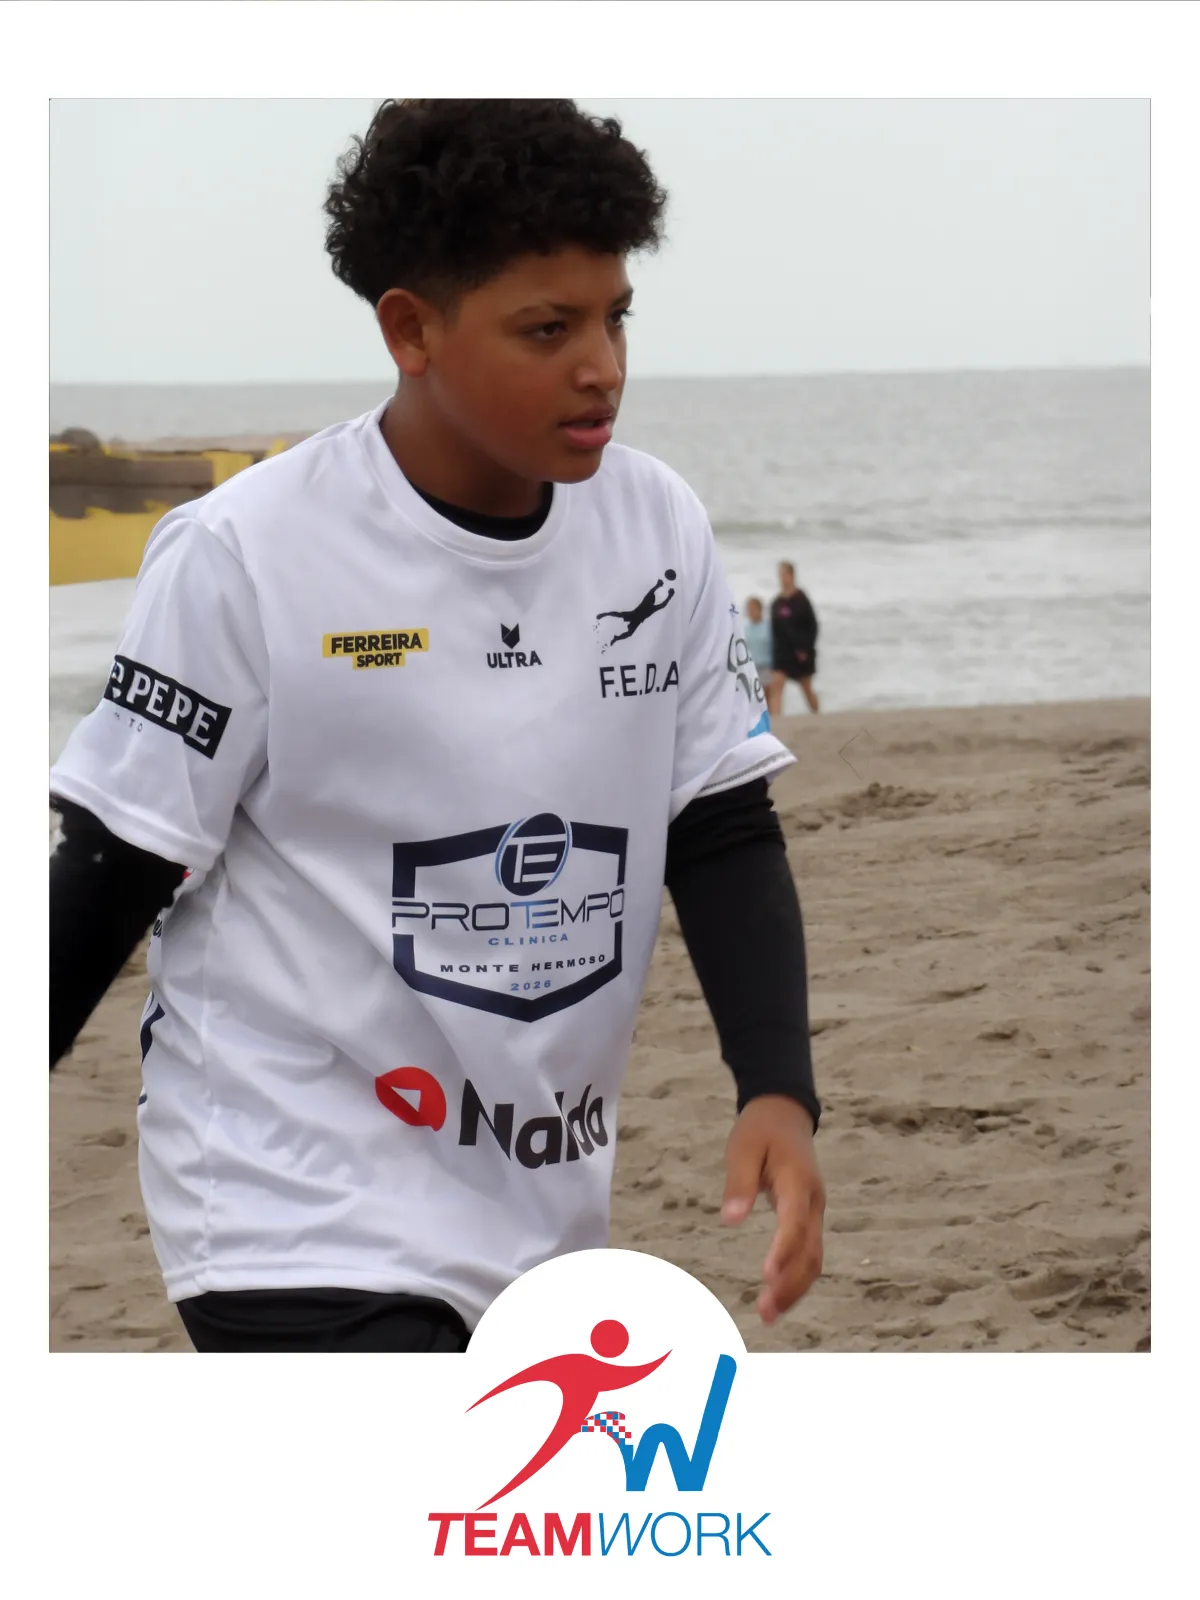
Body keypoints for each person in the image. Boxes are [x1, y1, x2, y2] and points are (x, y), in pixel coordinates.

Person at [48, 100, 824, 1354]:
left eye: (617, 316)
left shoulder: (656, 530)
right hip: (285, 1196)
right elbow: (111, 868)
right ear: (410, 329)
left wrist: (777, 1085)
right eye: (548, 328)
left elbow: (723, 828)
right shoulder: (250, 553)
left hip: (535, 1207)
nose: (602, 365)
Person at [769, 561, 820, 715]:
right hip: (782, 653)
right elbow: (773, 630)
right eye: (780, 575)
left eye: (784, 574)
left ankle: (817, 714)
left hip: (800, 652)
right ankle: (776, 721)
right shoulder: (776, 603)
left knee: (806, 689)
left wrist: (806, 649)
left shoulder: (801, 599)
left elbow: (813, 626)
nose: (782, 578)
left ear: (792, 575)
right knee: (776, 686)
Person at [742, 596, 773, 682]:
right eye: (749, 609)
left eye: (753, 609)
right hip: (750, 668)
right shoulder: (744, 629)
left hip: (766, 667)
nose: (751, 612)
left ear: (760, 609)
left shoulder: (769, 627)